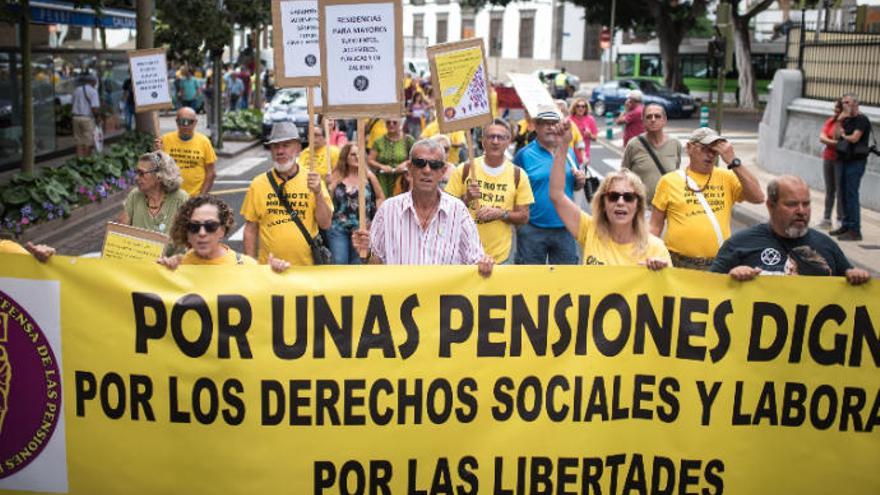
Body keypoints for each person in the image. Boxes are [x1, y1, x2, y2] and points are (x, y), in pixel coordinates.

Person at [351, 139, 494, 275]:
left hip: (444, 299)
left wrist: (485, 263)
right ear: (409, 168)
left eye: (434, 165)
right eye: (420, 163)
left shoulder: (458, 211)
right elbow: (376, 266)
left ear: (443, 171)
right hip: (399, 298)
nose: (427, 170)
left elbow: (475, 260)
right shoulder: (388, 210)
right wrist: (366, 252)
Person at [549, 122, 670, 269]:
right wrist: (562, 146)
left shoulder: (656, 248)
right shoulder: (590, 230)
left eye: (628, 197)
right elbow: (556, 195)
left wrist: (660, 271)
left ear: (637, 204)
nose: (620, 202)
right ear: (603, 203)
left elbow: (666, 286)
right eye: (613, 196)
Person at [710, 176, 870, 285]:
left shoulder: (827, 245)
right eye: (792, 204)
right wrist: (731, 278)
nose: (801, 211)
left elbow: (849, 287)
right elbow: (707, 289)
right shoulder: (740, 244)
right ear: (770, 206)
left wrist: (856, 277)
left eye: (806, 204)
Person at [650, 127, 765, 270]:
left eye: (715, 150)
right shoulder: (669, 181)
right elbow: (655, 225)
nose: (710, 155)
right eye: (705, 149)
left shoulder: (727, 177)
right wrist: (650, 253)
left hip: (719, 263)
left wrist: (734, 162)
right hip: (678, 262)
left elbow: (758, 197)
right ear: (689, 148)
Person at [241, 122, 333, 266]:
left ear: (297, 148)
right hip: (269, 269)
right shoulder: (258, 184)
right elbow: (250, 229)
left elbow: (326, 223)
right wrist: (250, 266)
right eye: (275, 146)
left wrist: (318, 194)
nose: (280, 151)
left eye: (286, 145)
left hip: (306, 270)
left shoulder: (313, 180)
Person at [445, 119, 534, 264]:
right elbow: (445, 210)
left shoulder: (518, 175)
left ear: (508, 141)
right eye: (491, 136)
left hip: (499, 257)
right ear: (482, 141)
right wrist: (467, 198)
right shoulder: (465, 169)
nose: (495, 141)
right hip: (462, 256)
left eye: (501, 137)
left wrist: (500, 213)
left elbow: (524, 217)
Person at [513, 109, 586, 265]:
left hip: (565, 226)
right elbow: (513, 189)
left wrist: (580, 181)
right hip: (532, 228)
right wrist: (519, 225)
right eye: (545, 124)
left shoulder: (569, 153)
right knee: (530, 281)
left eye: (554, 124)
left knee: (564, 282)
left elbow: (573, 186)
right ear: (536, 127)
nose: (550, 127)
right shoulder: (524, 155)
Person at [158, 194, 285, 270]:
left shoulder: (247, 267)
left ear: (223, 230)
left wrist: (275, 276)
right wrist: (162, 273)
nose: (202, 233)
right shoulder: (178, 266)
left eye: (211, 226)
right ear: (186, 232)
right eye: (194, 227)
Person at [326, 144, 385, 264]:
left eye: (359, 154)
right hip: (338, 228)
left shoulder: (369, 176)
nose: (357, 157)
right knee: (339, 262)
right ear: (345, 157)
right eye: (353, 154)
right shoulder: (336, 177)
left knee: (358, 264)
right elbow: (327, 200)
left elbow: (380, 197)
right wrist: (329, 186)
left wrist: (376, 220)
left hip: (362, 230)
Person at [830, 93, 872, 242]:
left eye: (847, 102)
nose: (844, 105)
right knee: (842, 193)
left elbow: (854, 138)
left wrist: (844, 136)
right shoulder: (845, 120)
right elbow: (835, 137)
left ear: (855, 103)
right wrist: (838, 121)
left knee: (851, 194)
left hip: (856, 161)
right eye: (843, 102)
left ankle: (855, 230)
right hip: (843, 160)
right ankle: (846, 225)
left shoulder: (862, 119)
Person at [621, 103, 682, 204]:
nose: (653, 119)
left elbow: (676, 173)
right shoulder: (634, 144)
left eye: (657, 116)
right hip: (641, 208)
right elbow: (624, 175)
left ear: (664, 120)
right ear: (643, 121)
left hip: (668, 207)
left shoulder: (675, 144)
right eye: (649, 117)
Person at [119, 151, 189, 236]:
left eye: (141, 173)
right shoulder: (135, 195)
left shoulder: (180, 198)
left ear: (159, 176)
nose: (136, 178)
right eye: (136, 172)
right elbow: (121, 232)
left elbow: (188, 234)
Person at [156, 107, 217, 197]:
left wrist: (201, 196)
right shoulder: (164, 140)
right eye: (182, 121)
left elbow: (211, 173)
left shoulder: (204, 142)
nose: (185, 125)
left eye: (189, 122)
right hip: (170, 197)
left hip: (194, 197)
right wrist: (157, 152)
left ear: (195, 123)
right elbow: (157, 168)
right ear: (176, 122)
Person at [368, 118, 415, 197]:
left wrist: (405, 164)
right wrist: (381, 166)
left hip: (403, 179)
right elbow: (370, 160)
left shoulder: (408, 140)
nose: (391, 125)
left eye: (394, 122)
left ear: (400, 123)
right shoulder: (378, 142)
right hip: (383, 180)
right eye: (388, 122)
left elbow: (416, 158)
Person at [818, 98, 845, 230]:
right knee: (829, 190)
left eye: (838, 109)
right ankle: (827, 218)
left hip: (840, 160)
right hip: (828, 158)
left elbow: (836, 137)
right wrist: (834, 143)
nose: (835, 111)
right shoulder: (830, 120)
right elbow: (822, 137)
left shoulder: (846, 123)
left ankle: (840, 219)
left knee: (840, 190)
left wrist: (831, 141)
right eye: (834, 109)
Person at [71, 74, 100, 157]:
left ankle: (79, 160)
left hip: (76, 118)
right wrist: (98, 118)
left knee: (79, 141)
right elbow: (95, 108)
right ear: (93, 81)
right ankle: (86, 160)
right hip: (87, 119)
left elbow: (72, 102)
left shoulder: (76, 90)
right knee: (88, 142)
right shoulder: (93, 91)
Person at [568, 98, 598, 166]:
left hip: (584, 156)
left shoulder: (590, 120)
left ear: (586, 108)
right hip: (571, 155)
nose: (580, 108)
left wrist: (590, 135)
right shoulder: (569, 120)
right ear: (574, 108)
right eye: (578, 106)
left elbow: (595, 138)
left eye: (583, 106)